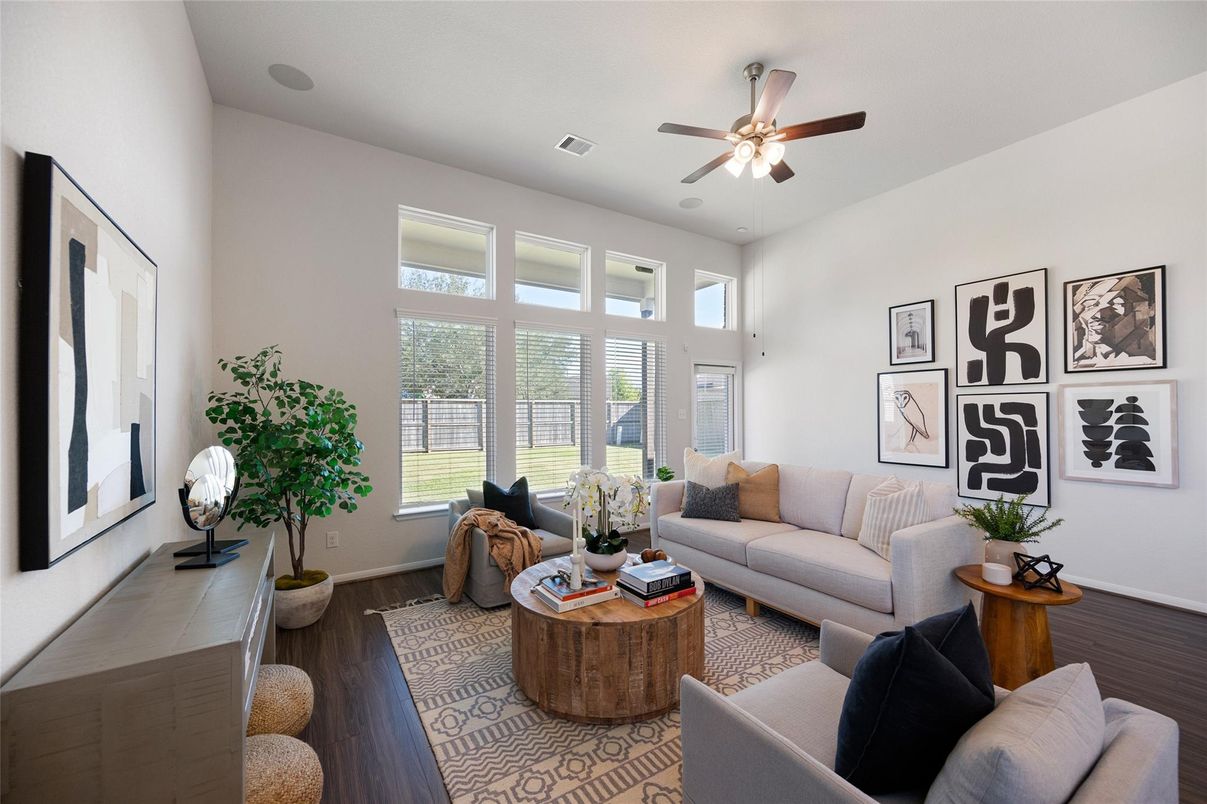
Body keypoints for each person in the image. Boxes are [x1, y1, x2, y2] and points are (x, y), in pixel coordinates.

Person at [1071, 274, 1156, 368]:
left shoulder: (1141, 361)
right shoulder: (1076, 360)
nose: (1097, 314)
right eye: (1091, 305)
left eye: (1117, 303)